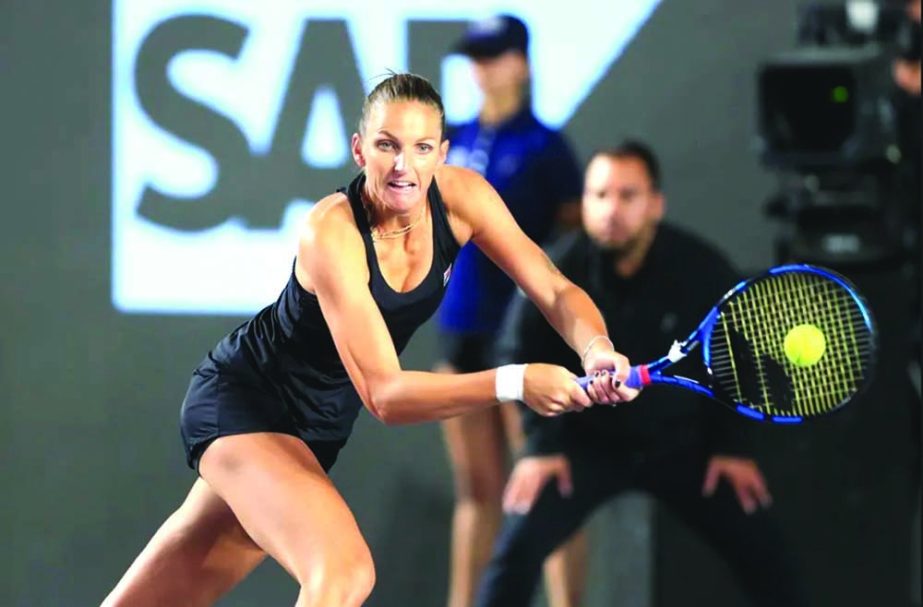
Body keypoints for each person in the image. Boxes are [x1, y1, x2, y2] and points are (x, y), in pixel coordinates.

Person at [100, 73, 637, 607]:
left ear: (442, 153)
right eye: (387, 145)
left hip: (315, 431)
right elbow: (385, 394)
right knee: (343, 573)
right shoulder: (331, 232)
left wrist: (596, 348)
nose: (404, 165)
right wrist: (517, 381)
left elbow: (554, 288)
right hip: (244, 403)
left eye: (422, 147)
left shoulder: (463, 199)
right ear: (360, 150)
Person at [475, 141, 807, 607]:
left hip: (682, 448)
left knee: (767, 554)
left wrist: (732, 448)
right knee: (516, 550)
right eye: (599, 195)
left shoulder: (702, 269)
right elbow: (516, 351)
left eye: (627, 196)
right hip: (582, 448)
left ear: (655, 204)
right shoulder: (556, 271)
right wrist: (541, 447)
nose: (612, 210)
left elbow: (743, 360)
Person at [434, 15, 586, 607]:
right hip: (461, 333)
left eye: (493, 55)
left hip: (525, 340)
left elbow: (573, 245)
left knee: (544, 485)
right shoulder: (454, 139)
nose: (481, 68)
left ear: (521, 63)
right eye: (475, 56)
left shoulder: (546, 147)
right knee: (476, 491)